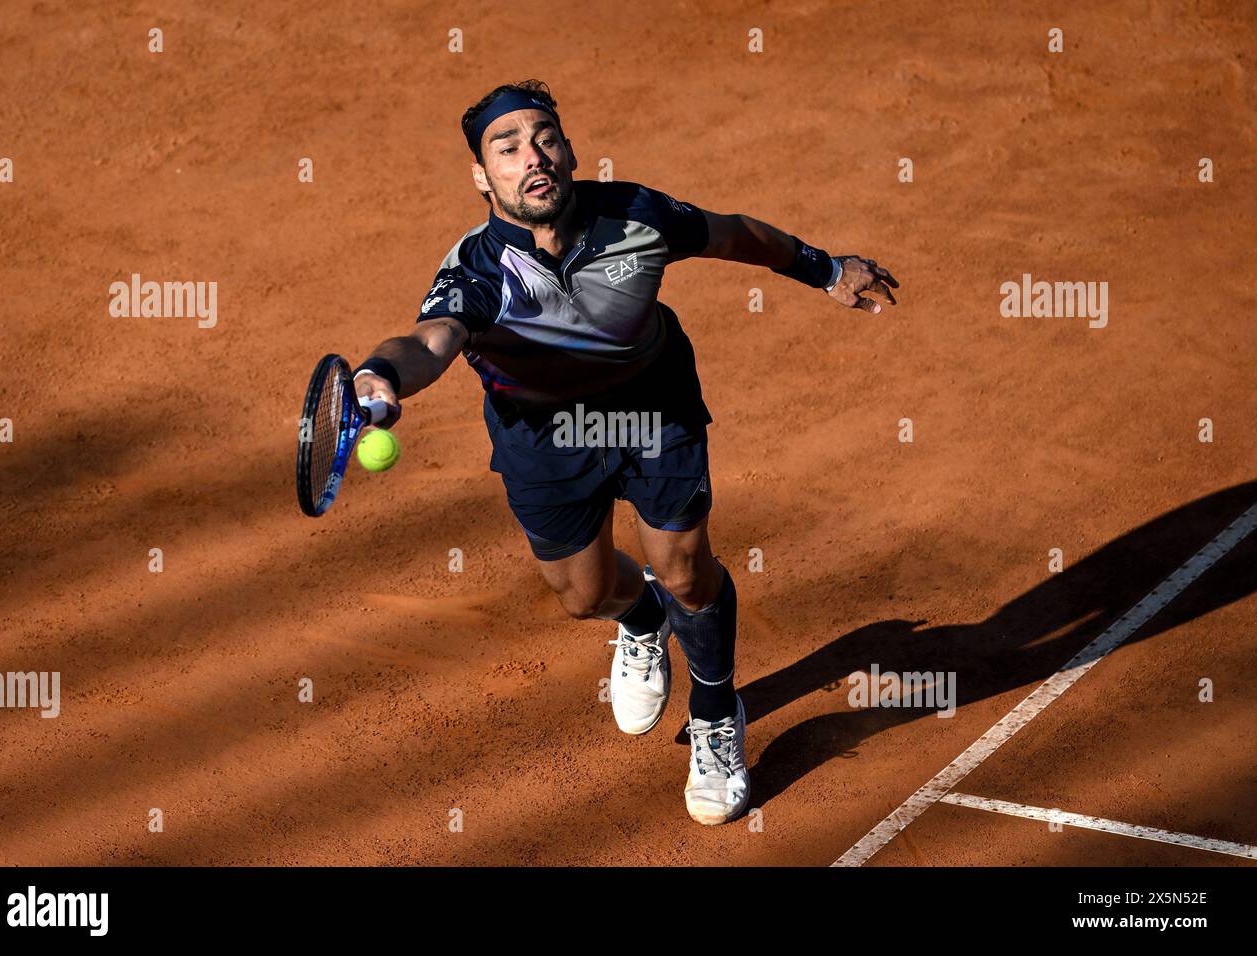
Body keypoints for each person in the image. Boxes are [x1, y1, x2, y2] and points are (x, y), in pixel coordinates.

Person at [354, 80, 899, 825]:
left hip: (653, 408)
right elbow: (428, 340)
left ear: (570, 150)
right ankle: (642, 618)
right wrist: (379, 375)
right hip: (543, 435)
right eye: (506, 148)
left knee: (686, 568)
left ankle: (716, 710)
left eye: (544, 137)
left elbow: (734, 233)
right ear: (482, 177)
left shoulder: (637, 215)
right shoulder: (478, 271)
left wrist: (824, 268)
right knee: (582, 596)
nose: (532, 157)